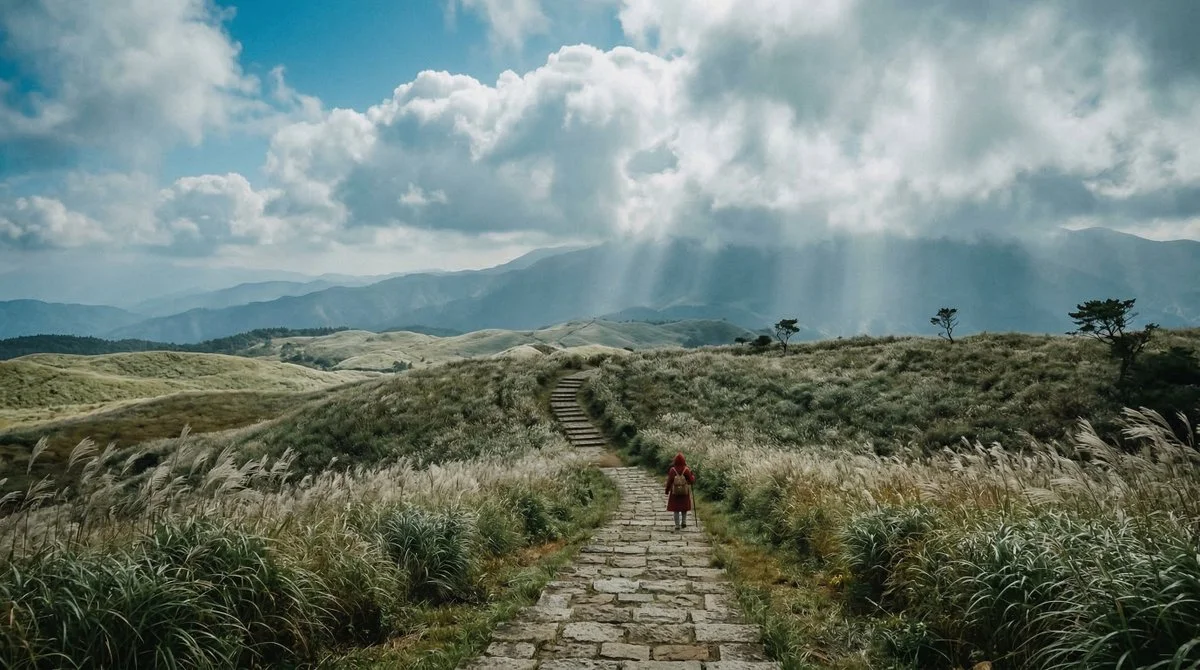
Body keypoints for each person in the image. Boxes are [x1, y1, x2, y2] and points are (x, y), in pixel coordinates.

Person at [665, 452, 696, 531]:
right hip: (684, 492)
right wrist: (692, 475)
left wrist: (667, 490)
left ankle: (677, 525)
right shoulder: (686, 469)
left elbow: (669, 481)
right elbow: (691, 481)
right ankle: (684, 522)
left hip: (674, 492)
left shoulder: (672, 470)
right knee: (684, 508)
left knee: (676, 509)